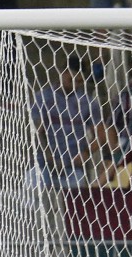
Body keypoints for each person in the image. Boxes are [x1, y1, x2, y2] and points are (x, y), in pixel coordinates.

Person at [29, 54, 117, 189]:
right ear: (63, 73)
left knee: (74, 197)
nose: (75, 85)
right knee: (36, 193)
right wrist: (48, 156)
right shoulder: (43, 98)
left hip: (73, 167)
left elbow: (100, 134)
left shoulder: (87, 102)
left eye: (80, 81)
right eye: (72, 80)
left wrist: (86, 152)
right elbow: (35, 131)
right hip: (43, 164)